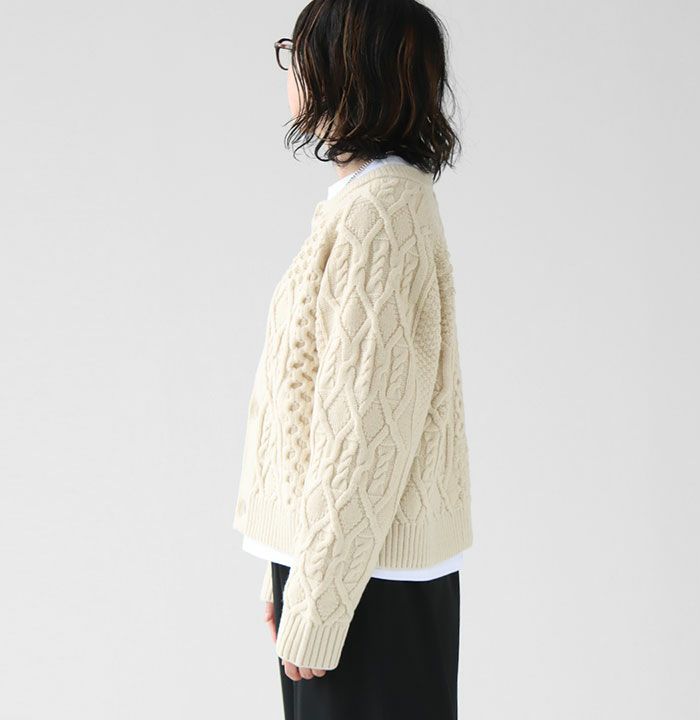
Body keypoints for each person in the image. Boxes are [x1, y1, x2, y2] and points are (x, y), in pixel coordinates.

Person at [232, 1, 473, 717]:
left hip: (369, 585)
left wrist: (318, 598)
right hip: (348, 568)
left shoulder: (380, 217)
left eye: (298, 53)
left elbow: (366, 430)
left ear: (347, 71)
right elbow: (316, 408)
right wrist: (290, 569)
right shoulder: (366, 205)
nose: (291, 71)